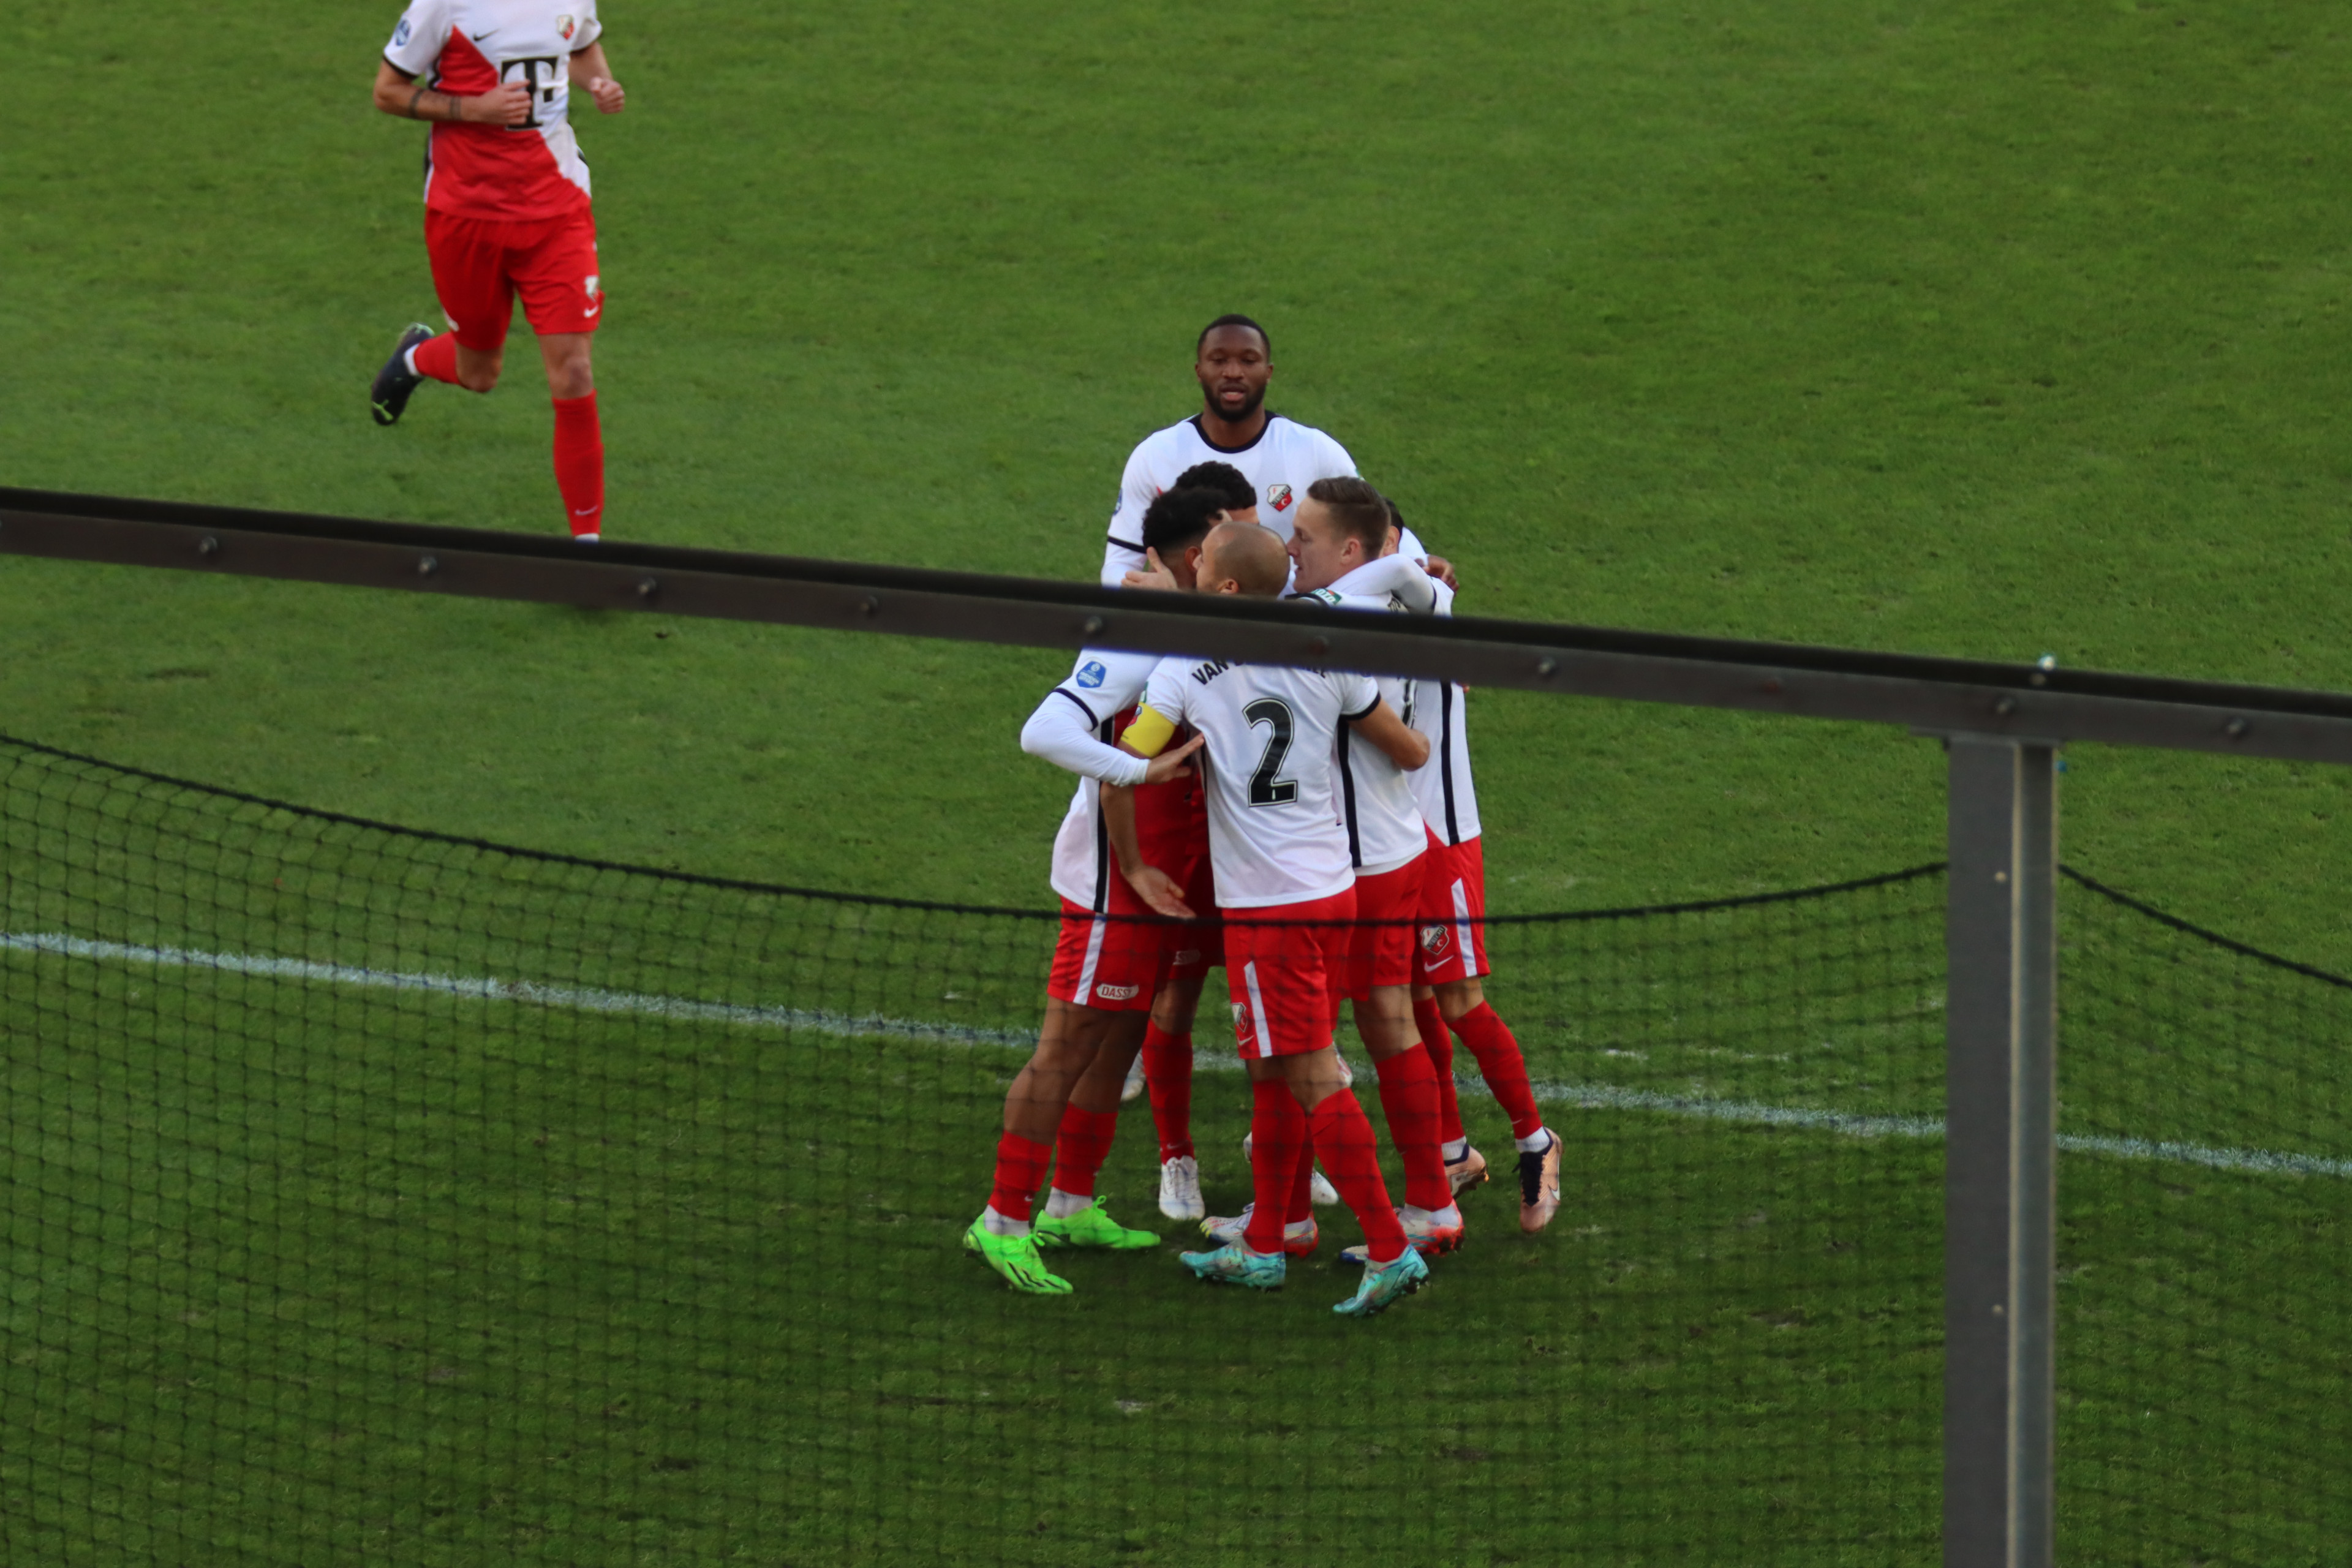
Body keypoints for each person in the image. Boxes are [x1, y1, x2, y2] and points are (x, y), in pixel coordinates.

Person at [1108, 522, 1435, 1317]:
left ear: (1221, 587)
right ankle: (1271, 1240)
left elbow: (1123, 764)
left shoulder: (1185, 670)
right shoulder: (1326, 646)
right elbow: (1406, 747)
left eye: (1203, 562)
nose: (1192, 563)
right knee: (1274, 1067)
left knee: (1312, 1071)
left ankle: (1390, 1249)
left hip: (1268, 908)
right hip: (1333, 890)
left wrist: (1135, 863)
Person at [959, 491, 1223, 1295]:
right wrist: (1136, 774)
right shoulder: (1135, 639)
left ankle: (1069, 1204)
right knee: (1066, 1047)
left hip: (1167, 885)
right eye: (1235, 532)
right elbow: (1046, 731)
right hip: (1116, 888)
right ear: (1196, 553)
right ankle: (1003, 1221)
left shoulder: (1193, 622)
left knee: (1118, 1040)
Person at [1273, 478, 1461, 1263]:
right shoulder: (1416, 607)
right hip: (1398, 844)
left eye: (1306, 539)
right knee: (1385, 1025)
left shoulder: (1329, 627)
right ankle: (1427, 1199)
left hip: (1351, 863)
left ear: (1351, 550)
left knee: (1307, 1038)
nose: (1291, 550)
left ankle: (1297, 1220)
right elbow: (1414, 583)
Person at [365, 1, 627, 541]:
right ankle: (414, 358)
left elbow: (578, 46)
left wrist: (600, 83)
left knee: (574, 371)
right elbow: (387, 91)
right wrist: (473, 109)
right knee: (478, 373)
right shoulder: (445, 5)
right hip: (465, 215)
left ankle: (589, 550)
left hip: (557, 211)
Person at [1099, 317, 1450, 588]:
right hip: (1196, 629)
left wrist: (1418, 566)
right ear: (1199, 370)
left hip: (1295, 630)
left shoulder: (1313, 450)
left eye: (1248, 360)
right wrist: (1143, 593)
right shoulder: (1155, 455)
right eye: (1218, 360)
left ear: (1268, 373)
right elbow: (1119, 563)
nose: (1233, 372)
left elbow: (1373, 521)